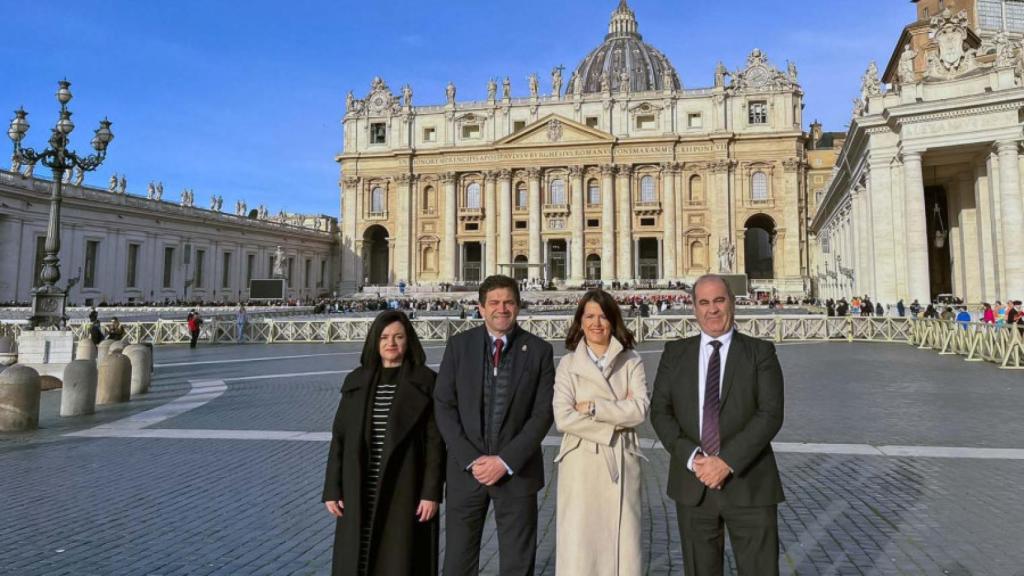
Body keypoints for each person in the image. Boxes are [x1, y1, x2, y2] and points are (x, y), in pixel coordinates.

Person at [651, 274, 785, 576]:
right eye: (704, 302)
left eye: (719, 300)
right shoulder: (675, 353)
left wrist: (725, 461)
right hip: (693, 483)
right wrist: (693, 457)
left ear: (733, 304)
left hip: (749, 482)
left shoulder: (760, 352)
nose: (712, 309)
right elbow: (660, 412)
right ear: (694, 309)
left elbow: (770, 414)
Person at [433, 275, 555, 576]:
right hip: (467, 473)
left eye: (509, 302)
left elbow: (542, 414)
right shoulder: (459, 345)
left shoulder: (539, 350)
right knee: (457, 563)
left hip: (517, 473)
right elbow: (444, 406)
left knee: (517, 564)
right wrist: (472, 459)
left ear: (518, 306)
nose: (502, 309)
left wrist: (505, 461)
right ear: (481, 308)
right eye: (495, 303)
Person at [323, 310, 444, 576]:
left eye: (398, 336)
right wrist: (332, 488)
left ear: (408, 341)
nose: (391, 343)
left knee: (398, 560)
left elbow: (436, 444)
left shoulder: (426, 382)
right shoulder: (355, 381)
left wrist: (431, 492)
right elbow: (339, 438)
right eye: (385, 337)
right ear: (375, 342)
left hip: (405, 485)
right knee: (358, 554)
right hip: (360, 483)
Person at [553, 289, 649, 575]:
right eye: (590, 316)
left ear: (613, 320)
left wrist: (594, 407)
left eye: (603, 316)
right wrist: (617, 414)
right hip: (582, 464)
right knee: (580, 549)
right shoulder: (568, 364)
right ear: (580, 321)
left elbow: (640, 410)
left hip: (621, 459)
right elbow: (563, 417)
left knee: (623, 548)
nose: (597, 323)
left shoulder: (631, 360)